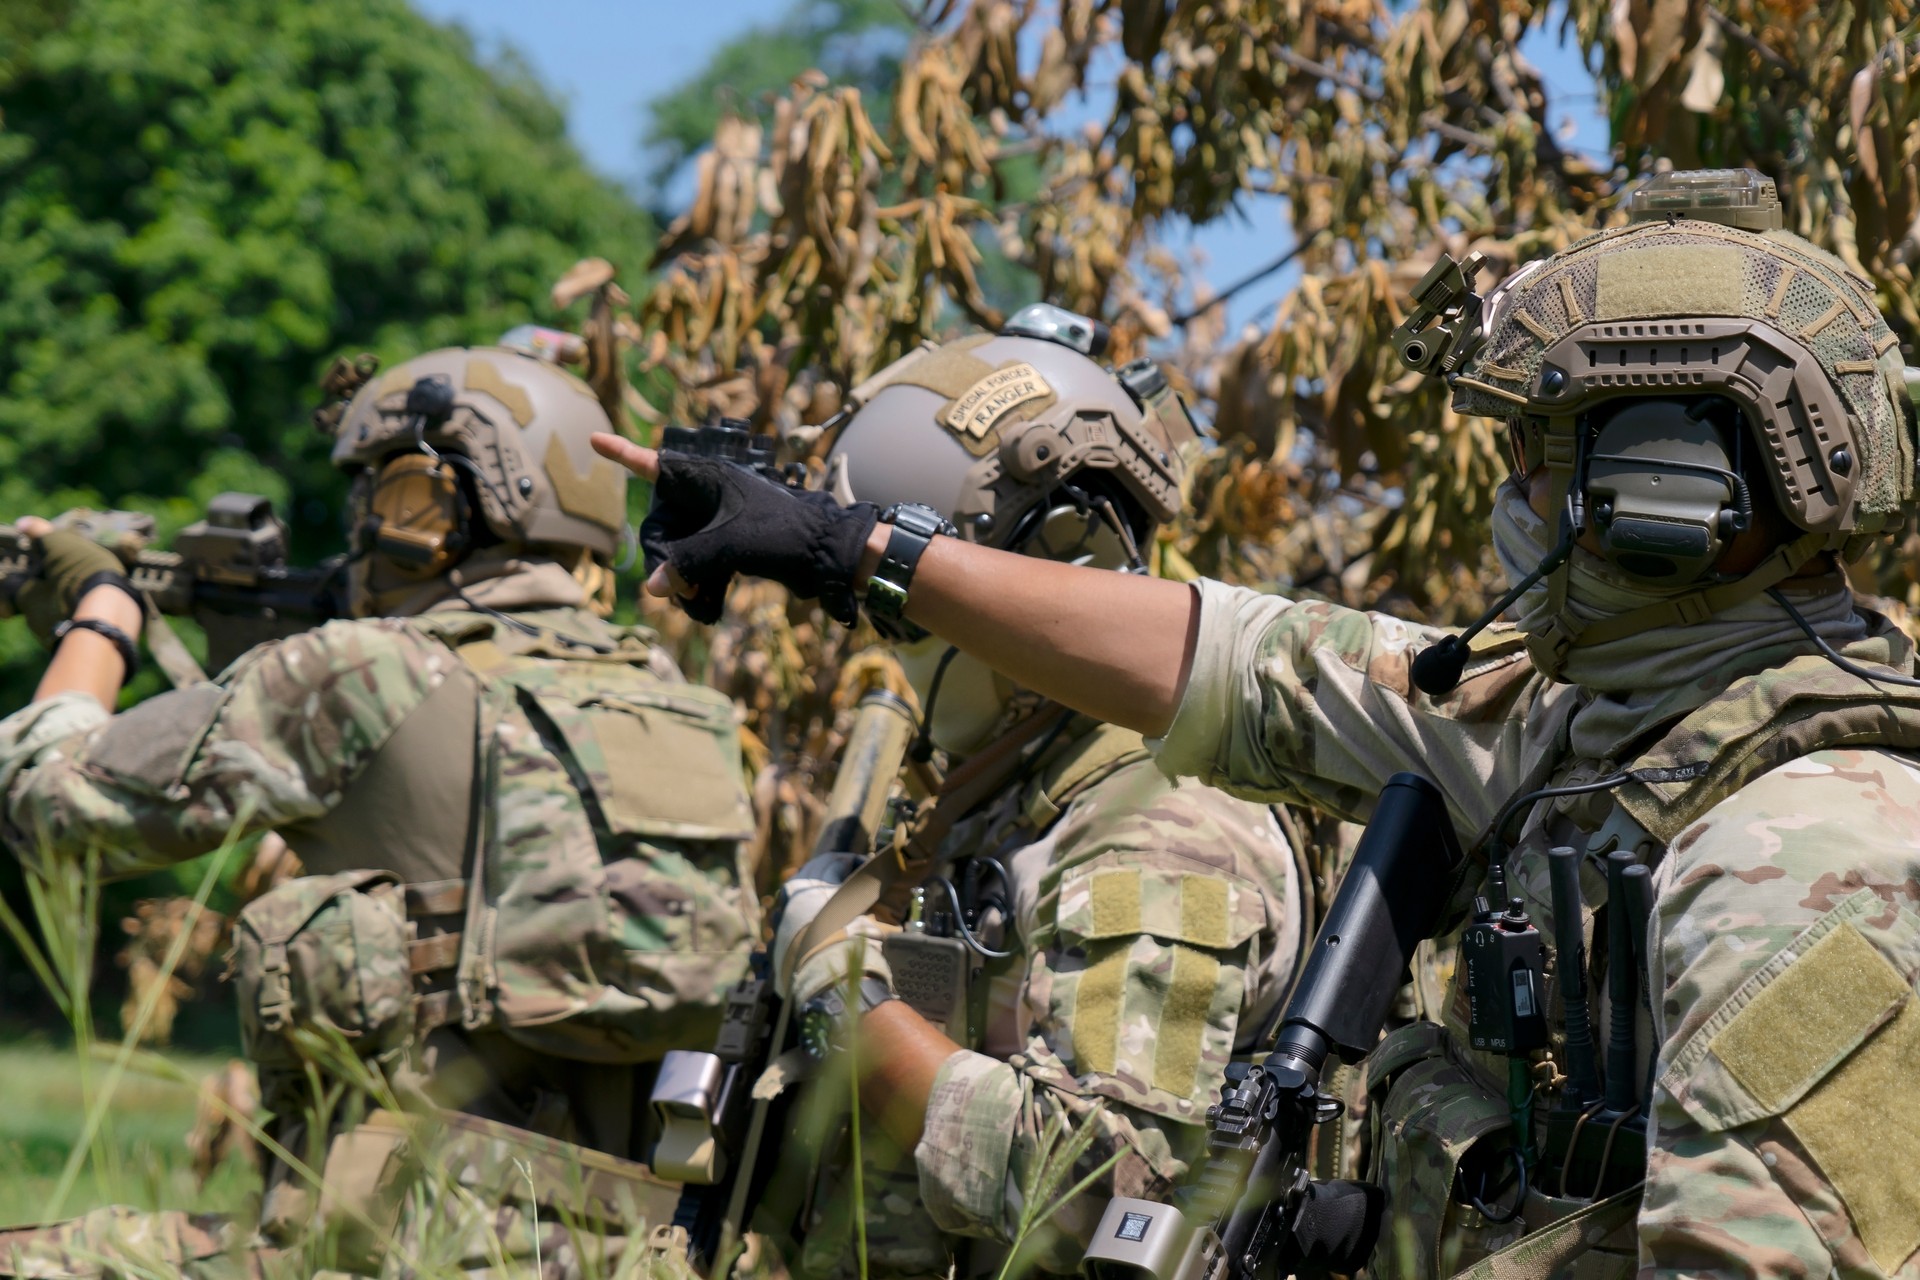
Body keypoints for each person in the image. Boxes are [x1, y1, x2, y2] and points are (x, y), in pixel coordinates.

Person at [601, 168, 1920, 1278]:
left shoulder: (1801, 851)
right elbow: (1223, 654)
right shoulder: (1579, 715)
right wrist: (842, 548)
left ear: (1668, 483)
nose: (1508, 492)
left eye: (1542, 449)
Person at [0, 344, 760, 1277]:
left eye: (372, 490)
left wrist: (100, 611)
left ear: (423, 500)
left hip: (398, 1248)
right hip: (624, 1256)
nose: (357, 524)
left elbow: (45, 804)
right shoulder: (673, 701)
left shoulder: (368, 670)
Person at [741, 309, 1339, 1277]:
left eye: (897, 604)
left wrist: (841, 995)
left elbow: (1106, 1191)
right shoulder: (1010, 789)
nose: (877, 639)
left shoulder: (1161, 826)